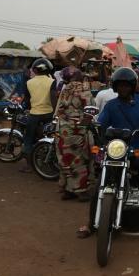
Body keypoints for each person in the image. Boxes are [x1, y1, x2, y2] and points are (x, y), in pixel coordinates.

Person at [77, 67, 139, 238]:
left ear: (132, 86)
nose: (123, 88)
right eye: (120, 85)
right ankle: (91, 224)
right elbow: (101, 123)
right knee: (98, 186)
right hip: (117, 149)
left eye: (126, 85)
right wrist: (89, 122)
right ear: (116, 87)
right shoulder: (111, 105)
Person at [56, 68, 94, 201]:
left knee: (65, 158)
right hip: (79, 130)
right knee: (80, 159)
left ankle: (68, 190)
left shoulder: (65, 90)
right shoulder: (84, 89)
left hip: (63, 130)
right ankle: (81, 190)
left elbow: (59, 110)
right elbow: (91, 110)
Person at [22, 58, 57, 173]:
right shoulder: (51, 81)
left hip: (34, 115)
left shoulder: (29, 82)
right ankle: (49, 161)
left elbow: (27, 100)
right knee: (50, 138)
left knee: (28, 139)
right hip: (48, 114)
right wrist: (55, 113)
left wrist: (26, 109)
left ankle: (28, 166)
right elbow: (53, 99)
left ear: (35, 70)